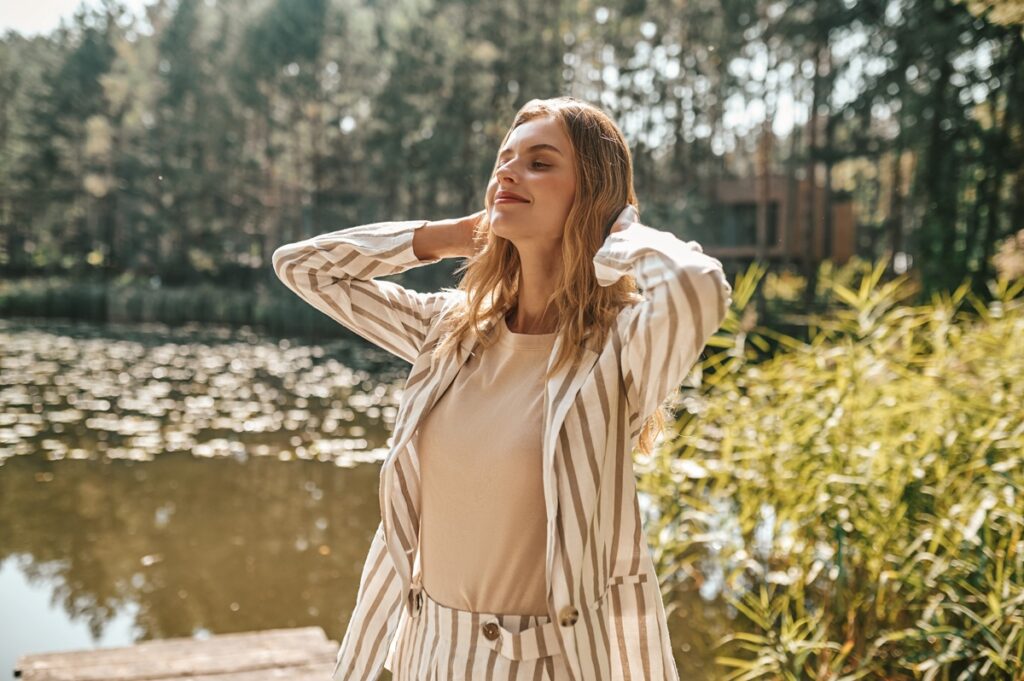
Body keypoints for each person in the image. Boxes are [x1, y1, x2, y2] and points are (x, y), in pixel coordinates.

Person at [272, 95, 732, 680]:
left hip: (538, 665)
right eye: (504, 161)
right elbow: (302, 267)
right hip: (428, 654)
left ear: (590, 194)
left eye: (541, 163)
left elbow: (698, 288)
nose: (508, 173)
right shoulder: (451, 329)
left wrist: (616, 240)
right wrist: (446, 236)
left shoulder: (618, 350)